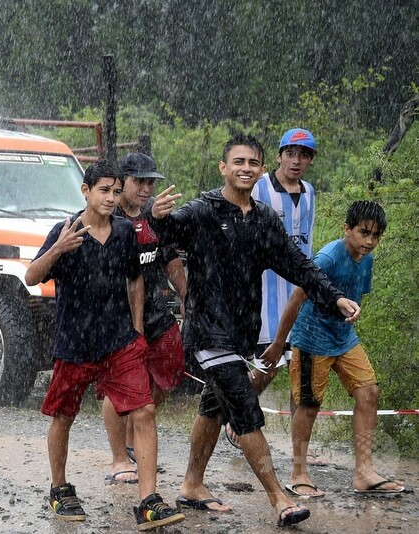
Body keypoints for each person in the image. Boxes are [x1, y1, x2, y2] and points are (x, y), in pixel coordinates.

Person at [148, 133, 361, 528]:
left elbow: (298, 265)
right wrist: (155, 215)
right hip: (208, 332)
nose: (246, 168)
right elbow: (162, 240)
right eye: (238, 162)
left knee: (214, 406)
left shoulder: (264, 219)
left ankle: (192, 484)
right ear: (223, 167)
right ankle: (279, 498)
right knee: (245, 409)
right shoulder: (202, 211)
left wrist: (333, 298)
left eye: (252, 163)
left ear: (261, 170)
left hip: (242, 333)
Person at [25, 160, 185, 530]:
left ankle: (148, 500)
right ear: (86, 191)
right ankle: (60, 487)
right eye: (104, 191)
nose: (112, 198)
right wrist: (59, 249)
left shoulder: (126, 232)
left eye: (116, 191)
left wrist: (136, 330)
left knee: (144, 411)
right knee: (64, 416)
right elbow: (32, 276)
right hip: (75, 344)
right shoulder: (66, 230)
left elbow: (135, 281)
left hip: (119, 342)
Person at [260, 201, 408, 497]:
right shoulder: (327, 257)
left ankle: (364, 472)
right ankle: (298, 472)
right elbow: (296, 298)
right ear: (347, 229)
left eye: (376, 235)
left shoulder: (367, 258)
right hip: (311, 338)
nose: (369, 241)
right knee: (309, 404)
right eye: (364, 232)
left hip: (343, 336)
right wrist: (279, 344)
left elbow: (355, 294)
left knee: (369, 392)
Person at [224, 128, 321, 457]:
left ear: (310, 160)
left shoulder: (309, 192)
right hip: (264, 293)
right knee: (268, 365)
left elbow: (305, 242)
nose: (296, 160)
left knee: (301, 370)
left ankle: (300, 453)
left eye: (304, 154)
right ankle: (236, 416)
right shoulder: (260, 187)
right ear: (278, 157)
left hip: (300, 294)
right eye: (290, 153)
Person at [100, 153, 187, 484]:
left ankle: (137, 434)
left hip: (154, 308)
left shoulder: (157, 218)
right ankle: (119, 457)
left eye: (152, 182)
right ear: (122, 182)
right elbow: (121, 240)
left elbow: (170, 258)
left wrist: (186, 293)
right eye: (140, 181)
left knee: (169, 367)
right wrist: (149, 216)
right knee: (116, 383)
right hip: (116, 313)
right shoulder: (109, 214)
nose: (147, 188)